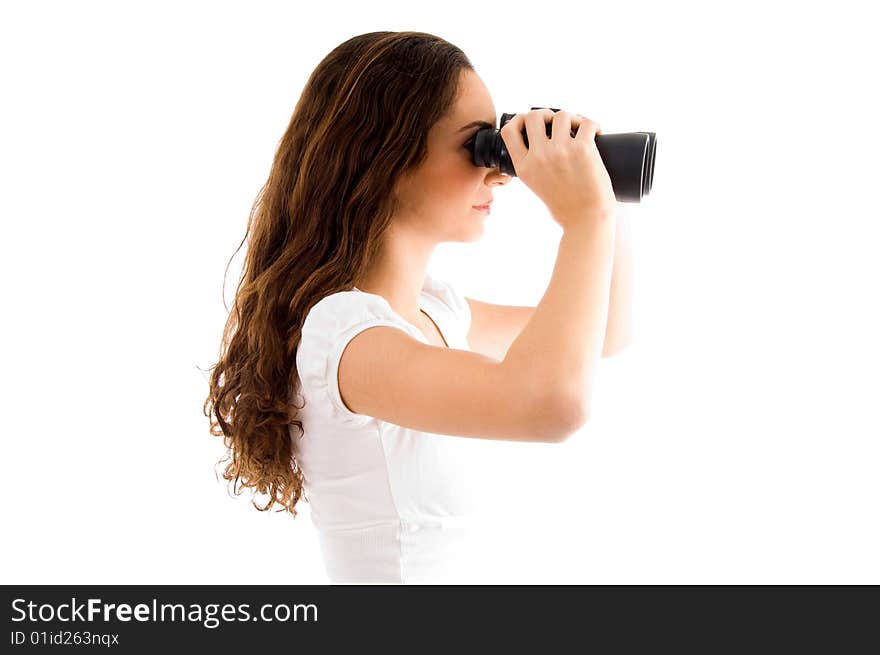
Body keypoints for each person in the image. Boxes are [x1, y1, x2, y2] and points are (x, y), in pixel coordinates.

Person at [203, 30, 619, 583]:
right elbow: (552, 405)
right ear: (387, 157)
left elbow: (605, 329)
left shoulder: (434, 314)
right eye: (478, 144)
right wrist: (584, 219)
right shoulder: (344, 338)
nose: (498, 172)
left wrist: (602, 188)